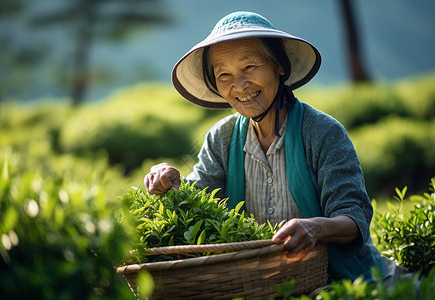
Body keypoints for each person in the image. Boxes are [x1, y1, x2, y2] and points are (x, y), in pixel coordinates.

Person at [144, 11, 393, 283]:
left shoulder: (322, 132)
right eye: (224, 74)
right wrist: (171, 180)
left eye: (249, 67)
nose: (239, 85)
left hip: (333, 280)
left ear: (279, 66)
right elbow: (199, 197)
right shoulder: (222, 138)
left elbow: (354, 217)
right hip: (258, 284)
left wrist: (316, 228)